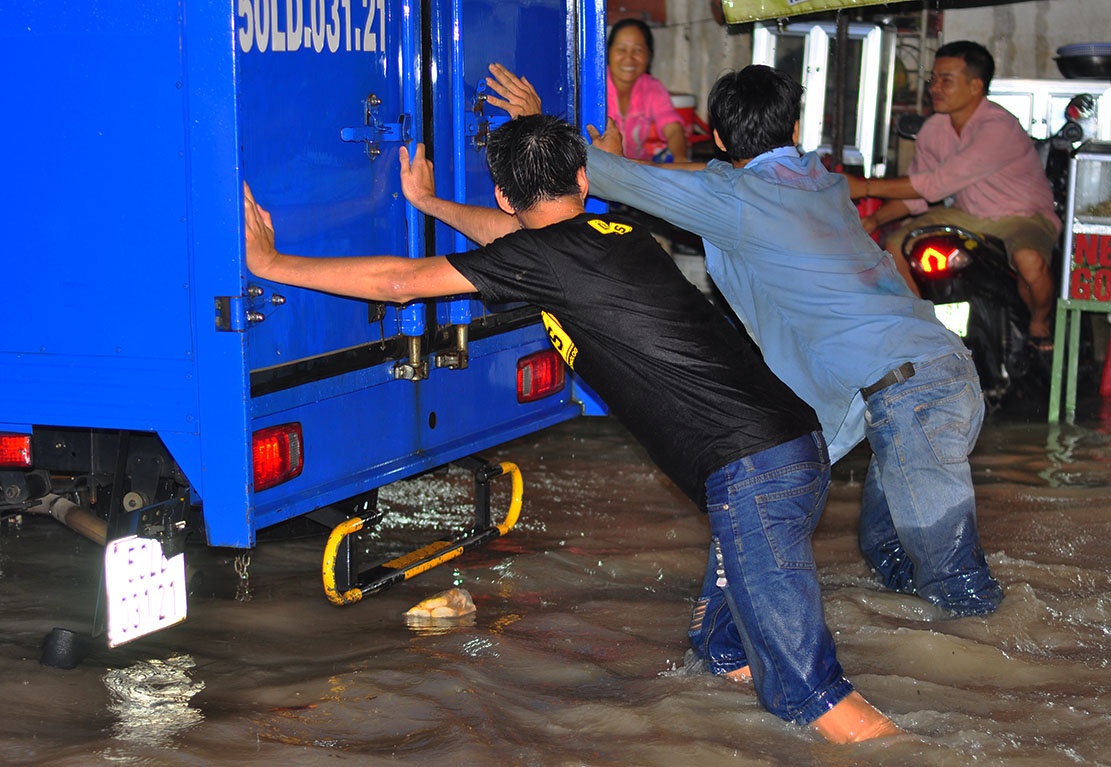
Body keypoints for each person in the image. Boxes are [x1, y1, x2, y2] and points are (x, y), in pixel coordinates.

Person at [243, 114, 900, 743]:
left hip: (751, 473)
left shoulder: (547, 258)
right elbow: (512, 243)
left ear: (504, 192)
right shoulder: (615, 237)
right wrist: (433, 204)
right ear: (582, 181)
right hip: (791, 445)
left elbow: (400, 282)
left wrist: (272, 264)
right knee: (719, 650)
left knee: (810, 696)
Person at [573, 65, 1004, 619]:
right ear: (795, 129)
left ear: (721, 138)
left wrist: (551, 130)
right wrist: (624, 165)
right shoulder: (821, 181)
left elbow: (605, 177)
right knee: (887, 550)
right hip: (938, 374)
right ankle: (933, 657)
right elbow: (699, 178)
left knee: (954, 581)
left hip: (909, 397)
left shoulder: (735, 201)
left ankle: (993, 675)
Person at [846, 40, 1059, 349]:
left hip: (1022, 217)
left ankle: (1040, 322)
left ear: (975, 86)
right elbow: (920, 196)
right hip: (967, 214)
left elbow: (935, 184)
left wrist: (863, 186)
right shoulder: (934, 129)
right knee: (895, 245)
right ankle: (924, 330)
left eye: (946, 80)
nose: (935, 87)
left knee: (1030, 261)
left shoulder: (998, 127)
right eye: (933, 79)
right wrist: (875, 219)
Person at [604, 18, 687, 162]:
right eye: (621, 49)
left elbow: (673, 129)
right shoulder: (595, 86)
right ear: (607, 52)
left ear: (648, 55)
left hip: (637, 170)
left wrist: (681, 160)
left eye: (638, 50)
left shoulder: (652, 87)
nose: (629, 58)